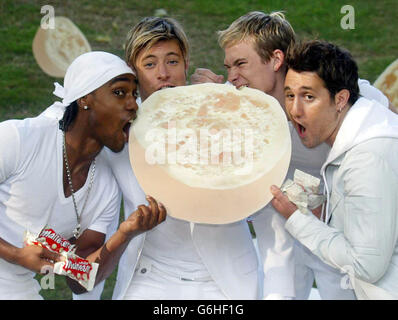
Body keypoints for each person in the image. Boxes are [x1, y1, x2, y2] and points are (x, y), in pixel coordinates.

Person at [190, 11, 392, 299]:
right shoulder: (233, 97)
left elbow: (386, 129)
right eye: (228, 66)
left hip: (339, 221)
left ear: (275, 59)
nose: (232, 76)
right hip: (278, 215)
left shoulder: (336, 93)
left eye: (240, 64)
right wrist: (200, 101)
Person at [107, 16, 292, 300]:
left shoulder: (228, 110)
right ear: (133, 71)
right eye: (149, 64)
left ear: (186, 64)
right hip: (150, 275)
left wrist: (220, 107)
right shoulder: (117, 126)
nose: (163, 73)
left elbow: (265, 207)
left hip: (223, 279)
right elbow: (68, 120)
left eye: (172, 61)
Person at [0, 51, 166, 299]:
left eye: (134, 94)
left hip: (15, 286)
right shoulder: (19, 138)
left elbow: (80, 281)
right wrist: (14, 254)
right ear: (85, 98)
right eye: (119, 92)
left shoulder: (105, 188)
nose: (133, 104)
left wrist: (125, 234)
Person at [270, 40, 398, 299]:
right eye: (290, 95)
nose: (295, 110)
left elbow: (365, 265)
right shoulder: (365, 131)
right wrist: (325, 213)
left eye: (309, 97)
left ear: (340, 99)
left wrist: (297, 219)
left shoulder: (367, 158)